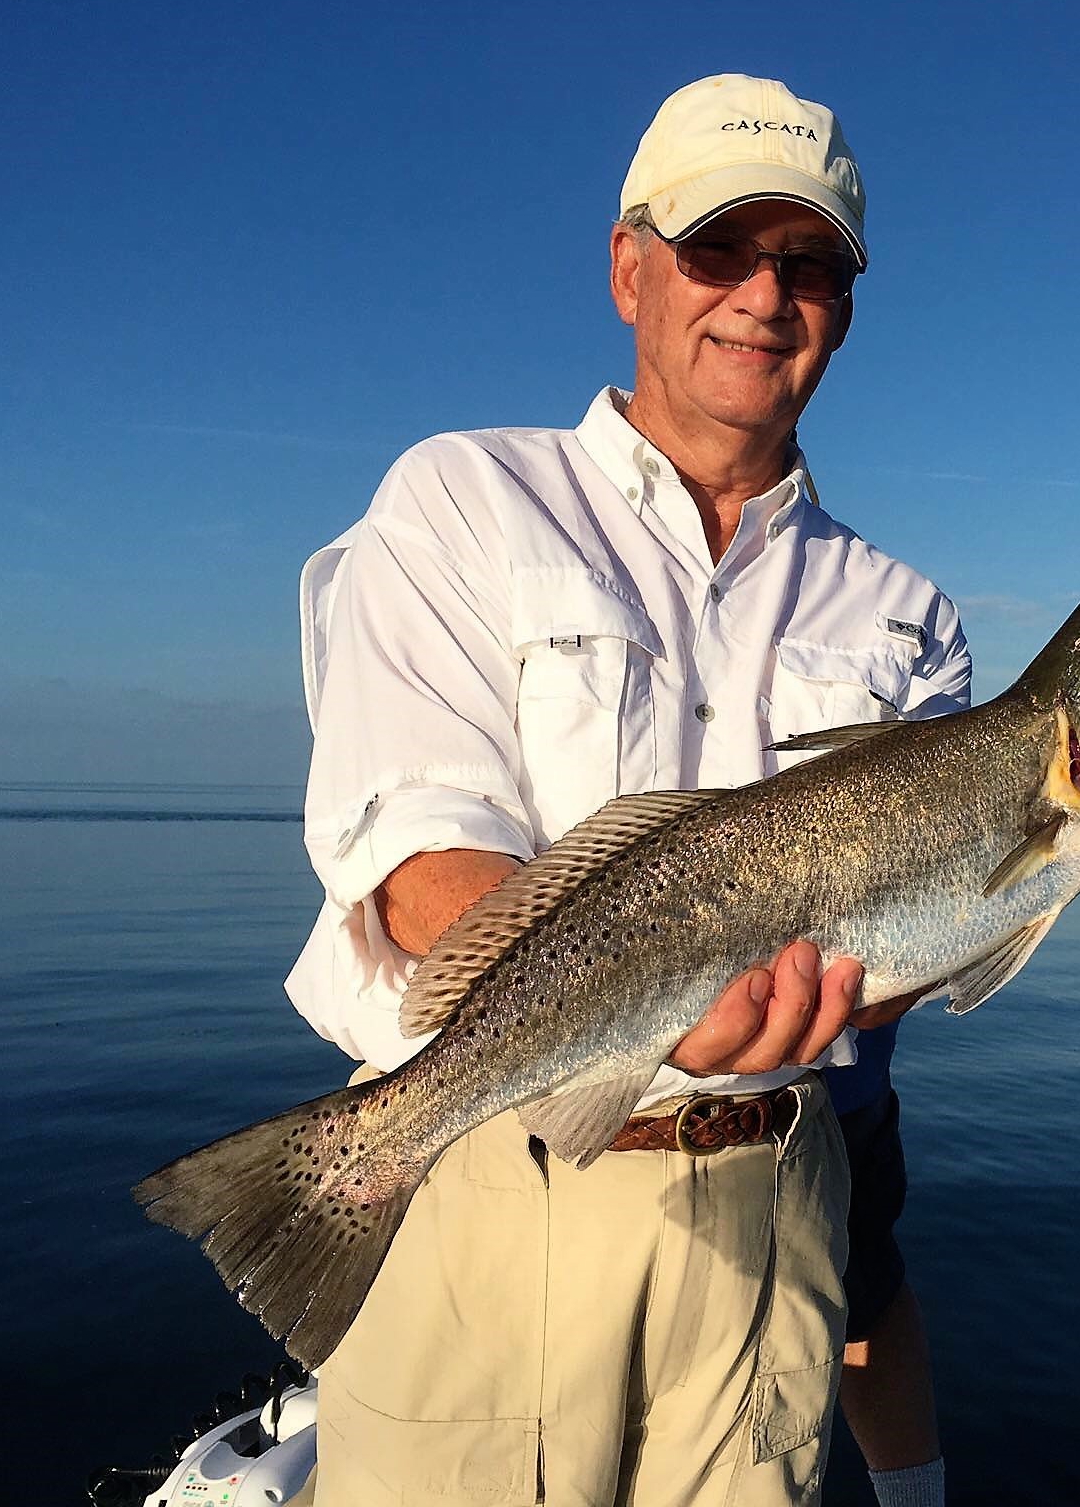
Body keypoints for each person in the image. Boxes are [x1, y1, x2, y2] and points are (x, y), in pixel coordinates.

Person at [285, 74, 964, 1506]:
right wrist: (637, 1001)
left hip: (776, 1205)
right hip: (484, 1172)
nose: (765, 296)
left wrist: (835, 988)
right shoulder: (462, 498)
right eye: (723, 247)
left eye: (813, 263)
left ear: (846, 303)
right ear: (628, 268)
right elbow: (416, 843)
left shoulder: (911, 615)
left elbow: (920, 930)